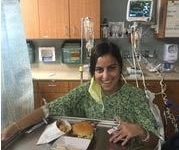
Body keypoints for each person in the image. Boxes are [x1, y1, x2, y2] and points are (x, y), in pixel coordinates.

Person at [2, 42, 160, 149]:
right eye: (99, 70)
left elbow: (154, 143)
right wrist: (15, 127)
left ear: (120, 68)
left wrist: (140, 131)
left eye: (112, 68)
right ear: (93, 72)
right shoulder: (85, 91)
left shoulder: (135, 97)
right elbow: (47, 109)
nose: (106, 76)